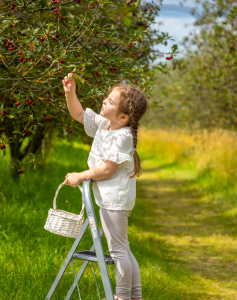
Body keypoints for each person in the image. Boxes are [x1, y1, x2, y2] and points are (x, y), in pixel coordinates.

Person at [62, 72, 148, 300]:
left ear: (123, 117)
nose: (104, 100)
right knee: (124, 248)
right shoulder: (104, 125)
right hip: (111, 198)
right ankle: (135, 296)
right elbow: (78, 113)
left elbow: (107, 169)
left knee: (118, 250)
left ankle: (121, 296)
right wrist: (71, 93)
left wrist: (81, 175)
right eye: (107, 98)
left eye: (110, 101)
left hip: (115, 200)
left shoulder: (122, 136)